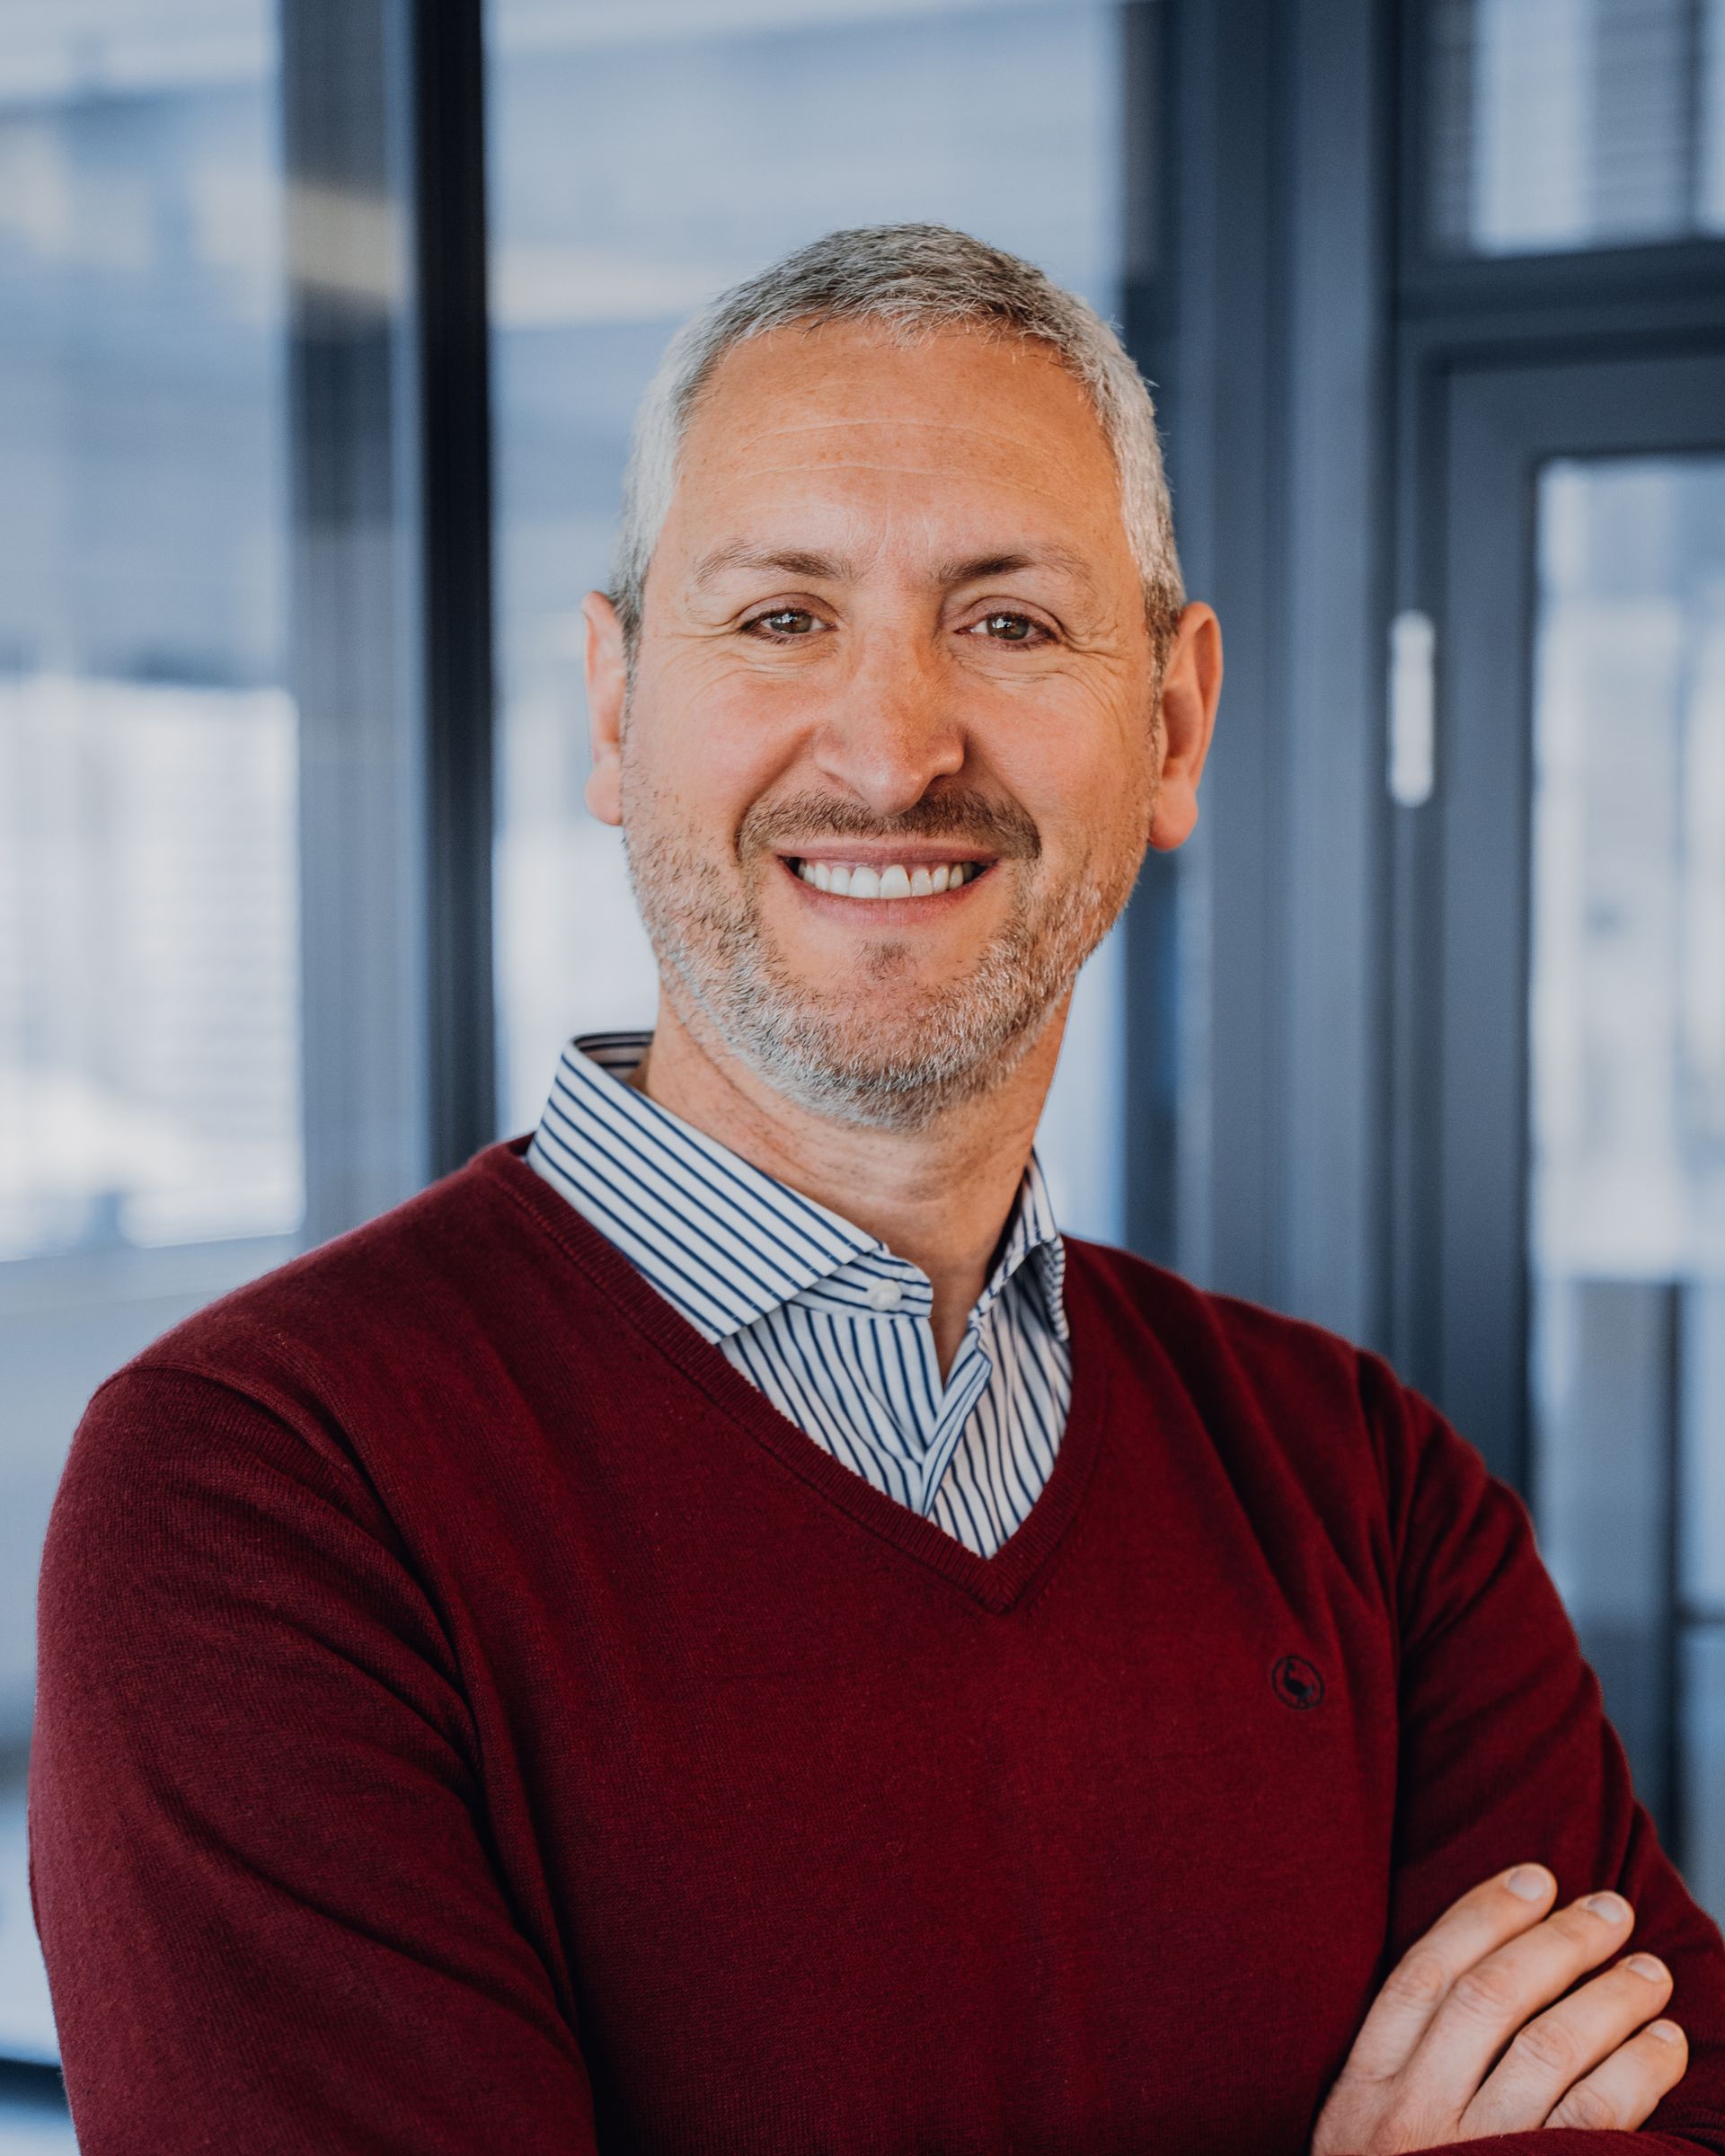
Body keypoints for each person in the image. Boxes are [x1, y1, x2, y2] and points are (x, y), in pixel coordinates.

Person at [30, 225, 1725, 2155]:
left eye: (1008, 622)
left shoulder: (1360, 1488)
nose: (893, 747)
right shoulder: (265, 1496)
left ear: (1170, 725)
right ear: (611, 706)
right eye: (779, 618)